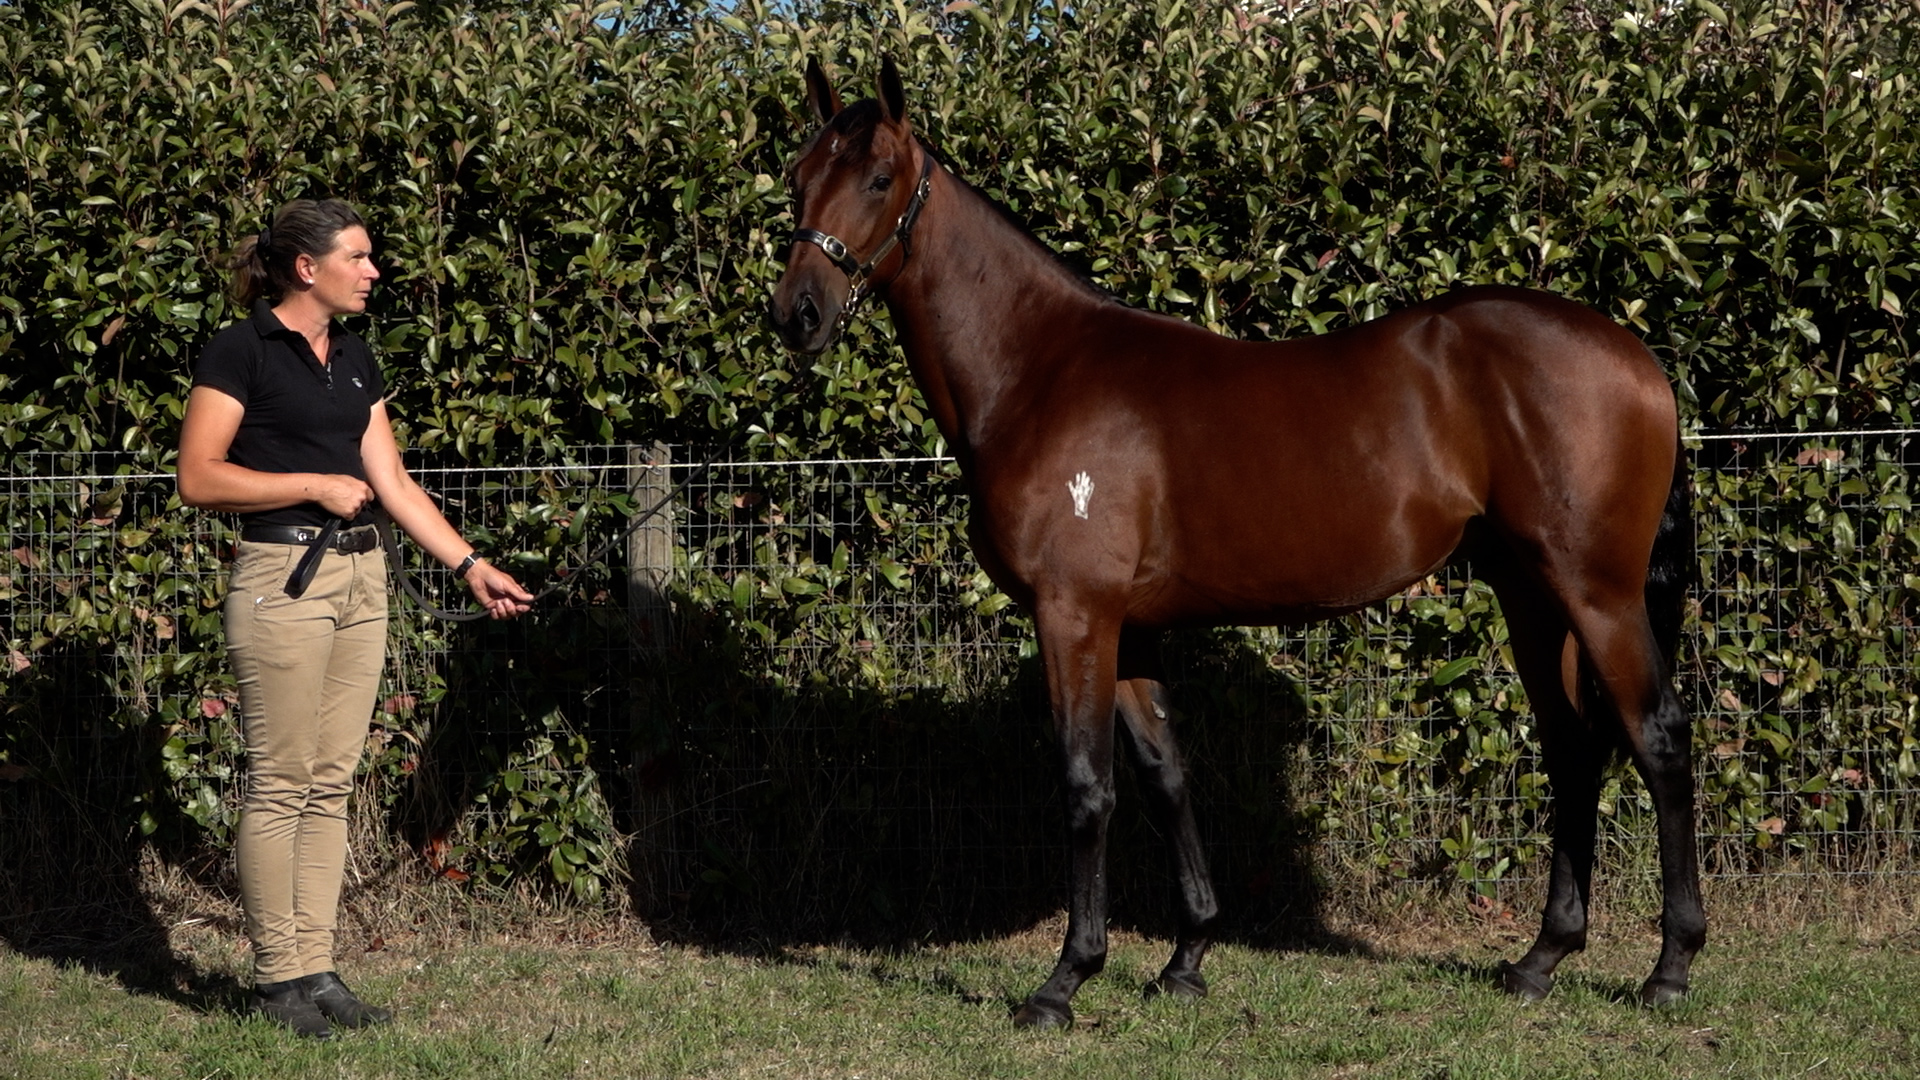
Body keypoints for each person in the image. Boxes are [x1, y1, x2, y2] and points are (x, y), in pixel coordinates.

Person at [178, 198, 534, 1039]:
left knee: (331, 781)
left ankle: (318, 969)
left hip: (361, 577)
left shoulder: (354, 356)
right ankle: (278, 980)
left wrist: (472, 567)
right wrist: (311, 485)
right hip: (284, 579)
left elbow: (394, 483)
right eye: (359, 257)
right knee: (282, 781)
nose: (374, 271)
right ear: (308, 268)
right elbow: (198, 476)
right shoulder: (241, 350)